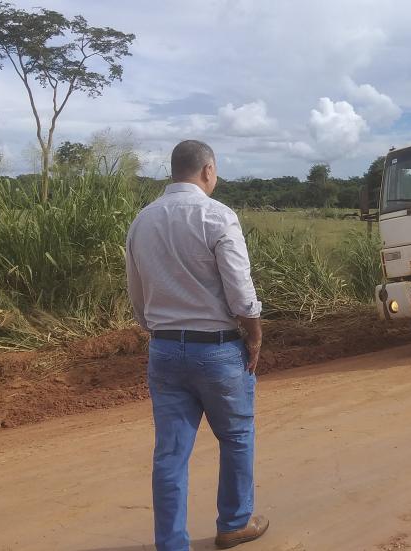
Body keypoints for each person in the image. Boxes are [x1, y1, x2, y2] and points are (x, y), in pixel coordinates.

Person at [125, 140, 269, 550]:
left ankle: (172, 543)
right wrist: (255, 334)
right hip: (218, 350)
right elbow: (240, 292)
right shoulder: (218, 216)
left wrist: (158, 329)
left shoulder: (142, 221)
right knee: (236, 437)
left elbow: (137, 293)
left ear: (174, 170)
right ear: (208, 170)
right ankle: (234, 524)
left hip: (165, 349)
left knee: (170, 452)